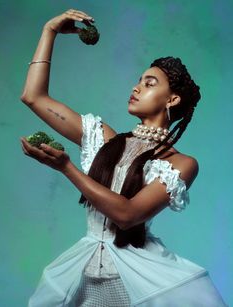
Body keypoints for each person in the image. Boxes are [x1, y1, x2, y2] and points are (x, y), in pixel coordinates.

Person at [20, 8, 227, 307]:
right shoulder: (103, 139)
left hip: (138, 281)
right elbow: (34, 97)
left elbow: (127, 215)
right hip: (81, 273)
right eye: (139, 80)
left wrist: (65, 167)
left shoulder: (181, 164)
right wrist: (49, 30)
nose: (136, 87)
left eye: (150, 83)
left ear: (172, 99)